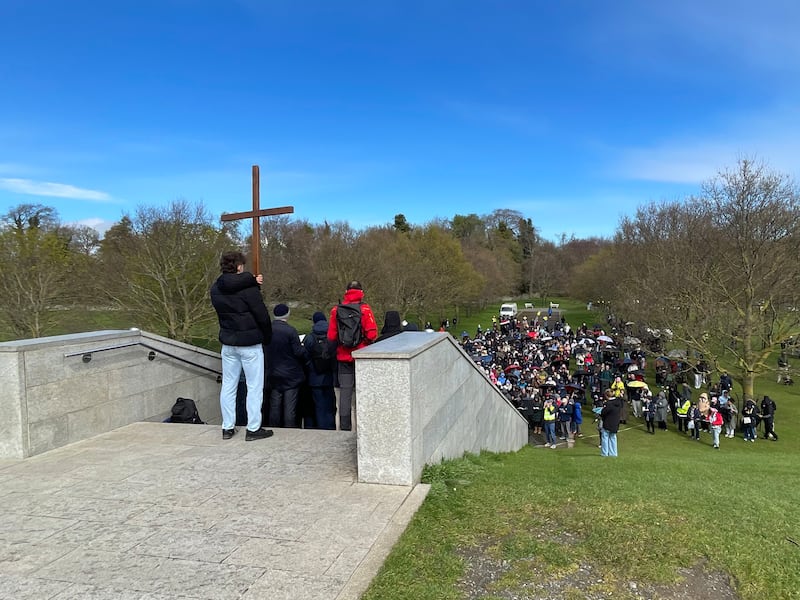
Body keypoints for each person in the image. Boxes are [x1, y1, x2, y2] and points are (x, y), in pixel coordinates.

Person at [209, 251, 273, 441]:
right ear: (239, 266)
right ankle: (253, 429)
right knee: (254, 386)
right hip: (250, 343)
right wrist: (267, 336)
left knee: (229, 385)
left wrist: (252, 282)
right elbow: (261, 315)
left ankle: (227, 427)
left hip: (228, 342)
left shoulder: (215, 288)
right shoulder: (248, 289)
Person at [327, 281, 379, 431]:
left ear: (346, 291)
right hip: (361, 357)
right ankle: (362, 428)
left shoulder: (336, 310)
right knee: (362, 392)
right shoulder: (365, 309)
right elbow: (372, 333)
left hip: (343, 357)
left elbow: (331, 336)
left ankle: (344, 427)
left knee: (345, 393)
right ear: (361, 292)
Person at [265, 303, 307, 428]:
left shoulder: (267, 330)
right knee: (290, 407)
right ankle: (289, 430)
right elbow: (298, 352)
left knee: (275, 405)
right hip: (290, 374)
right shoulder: (290, 331)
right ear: (287, 314)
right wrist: (304, 348)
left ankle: (274, 428)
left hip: (273, 372)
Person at [303, 311, 337, 429]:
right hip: (330, 376)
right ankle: (331, 427)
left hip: (314, 377)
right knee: (330, 405)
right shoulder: (332, 336)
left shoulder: (310, 337)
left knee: (319, 405)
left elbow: (305, 356)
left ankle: (322, 428)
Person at [600, 389, 622, 457]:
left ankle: (605, 453)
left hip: (607, 423)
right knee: (613, 438)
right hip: (615, 423)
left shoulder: (608, 404)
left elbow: (603, 412)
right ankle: (613, 453)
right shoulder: (619, 403)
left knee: (605, 438)